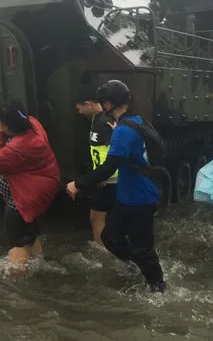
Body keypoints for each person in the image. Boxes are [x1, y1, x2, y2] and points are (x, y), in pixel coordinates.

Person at [66, 81, 166, 293]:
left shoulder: (123, 131)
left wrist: (78, 183)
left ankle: (159, 291)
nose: (102, 107)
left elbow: (108, 168)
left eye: (103, 103)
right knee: (110, 236)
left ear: (109, 103)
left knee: (144, 249)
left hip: (140, 198)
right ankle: (137, 268)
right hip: (127, 197)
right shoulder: (134, 121)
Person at [0, 101, 60, 271]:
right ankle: (38, 268)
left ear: (7, 126)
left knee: (18, 242)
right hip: (36, 196)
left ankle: (19, 289)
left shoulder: (21, 145)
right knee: (31, 236)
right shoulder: (32, 125)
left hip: (22, 202)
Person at [74, 89, 117, 246]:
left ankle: (103, 251)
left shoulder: (103, 122)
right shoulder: (99, 119)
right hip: (106, 176)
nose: (79, 112)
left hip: (108, 178)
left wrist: (99, 177)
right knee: (102, 216)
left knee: (97, 217)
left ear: (89, 104)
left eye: (80, 108)